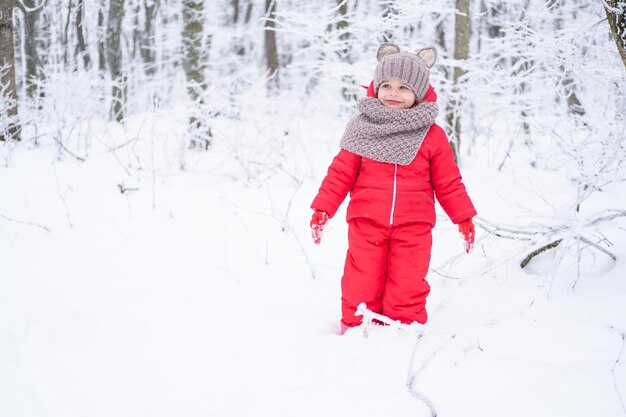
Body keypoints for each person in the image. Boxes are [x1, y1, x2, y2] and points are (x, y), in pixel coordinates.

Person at [309, 43, 477, 334]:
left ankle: (403, 333)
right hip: (366, 222)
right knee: (361, 280)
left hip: (414, 226)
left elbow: (448, 181)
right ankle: (357, 330)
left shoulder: (432, 135)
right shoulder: (361, 127)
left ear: (419, 93)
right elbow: (340, 173)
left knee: (408, 283)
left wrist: (463, 217)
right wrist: (323, 208)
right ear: (376, 86)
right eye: (386, 85)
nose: (393, 93)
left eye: (403, 87)